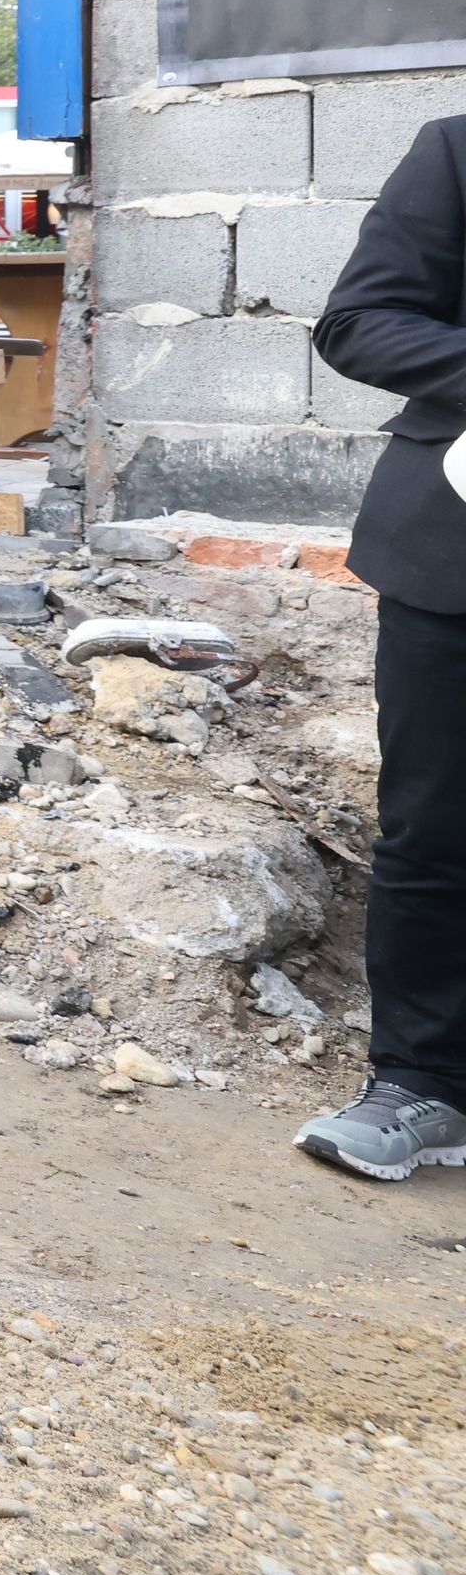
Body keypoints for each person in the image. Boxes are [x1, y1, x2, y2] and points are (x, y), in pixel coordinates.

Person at [298, 111, 466, 1183]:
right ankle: (421, 1083)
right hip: (456, 554)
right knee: (435, 825)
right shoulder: (458, 152)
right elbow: (360, 321)